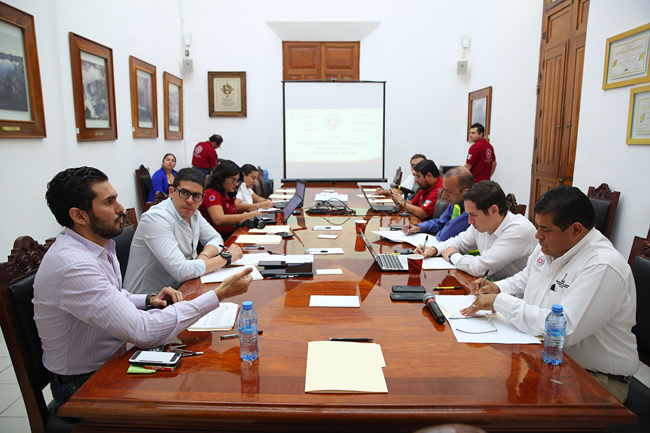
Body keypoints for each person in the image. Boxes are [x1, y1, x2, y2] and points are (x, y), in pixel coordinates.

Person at [33, 166, 253, 408]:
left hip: (118, 354)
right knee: (205, 394)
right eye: (109, 202)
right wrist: (218, 294)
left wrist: (148, 300)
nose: (121, 208)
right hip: (85, 382)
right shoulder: (74, 265)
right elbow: (144, 332)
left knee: (208, 374)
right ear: (79, 216)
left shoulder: (97, 247)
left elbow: (113, 294)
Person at [462, 186, 637, 403]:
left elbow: (563, 330)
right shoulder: (551, 245)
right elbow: (528, 275)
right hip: (545, 359)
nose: (537, 235)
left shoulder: (601, 266)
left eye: (545, 229)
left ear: (576, 230)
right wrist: (499, 288)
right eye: (537, 226)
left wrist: (500, 302)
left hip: (594, 378)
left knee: (500, 406)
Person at [124, 167, 243, 294]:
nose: (190, 201)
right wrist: (226, 258)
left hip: (183, 287)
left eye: (196, 196)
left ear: (202, 199)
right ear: (171, 192)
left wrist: (204, 256)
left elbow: (215, 238)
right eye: (184, 193)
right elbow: (181, 271)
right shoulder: (155, 218)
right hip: (149, 300)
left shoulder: (194, 214)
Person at [415, 181, 536, 280]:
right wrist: (434, 249)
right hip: (491, 288)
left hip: (514, 297)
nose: (469, 221)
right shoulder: (483, 224)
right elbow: (460, 242)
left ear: (494, 210)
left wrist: (452, 255)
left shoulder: (518, 230)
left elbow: (481, 267)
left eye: (473, 214)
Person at [403, 166, 474, 242]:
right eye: (444, 190)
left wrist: (438, 234)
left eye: (449, 191)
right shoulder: (456, 202)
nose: (444, 195)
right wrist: (418, 227)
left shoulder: (472, 211)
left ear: (465, 192)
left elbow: (444, 236)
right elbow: (440, 223)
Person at [199, 160, 265, 238]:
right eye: (233, 180)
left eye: (237, 181)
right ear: (220, 177)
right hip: (218, 238)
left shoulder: (226, 193)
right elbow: (219, 220)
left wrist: (244, 215)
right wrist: (246, 216)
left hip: (232, 234)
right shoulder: (211, 194)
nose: (236, 184)